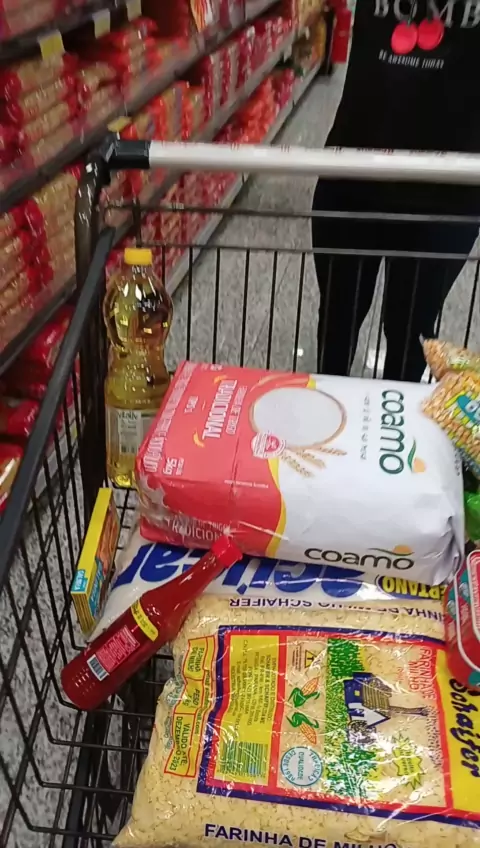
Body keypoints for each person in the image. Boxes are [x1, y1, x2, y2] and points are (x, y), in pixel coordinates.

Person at [312, 0, 480, 381]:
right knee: (339, 319)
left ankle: (393, 417)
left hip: (450, 187)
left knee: (412, 331)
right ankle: (330, 408)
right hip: (354, 170)